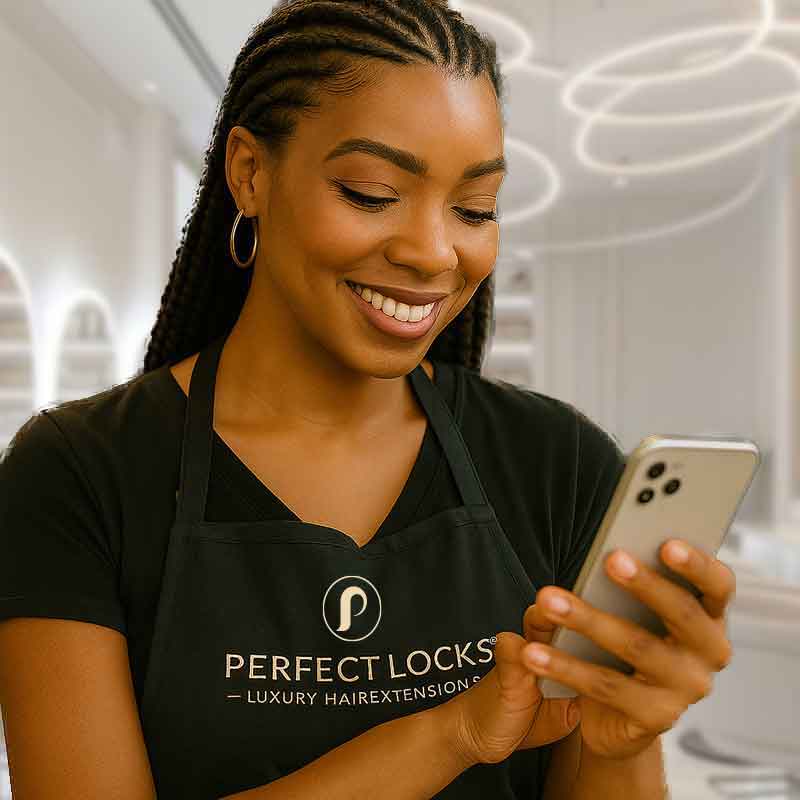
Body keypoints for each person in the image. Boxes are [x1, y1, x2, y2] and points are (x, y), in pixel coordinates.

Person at [0, 1, 736, 798]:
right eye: (371, 192)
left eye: (475, 208)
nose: (433, 253)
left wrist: (623, 737)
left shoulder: (558, 464)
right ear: (250, 172)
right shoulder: (76, 476)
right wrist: (452, 733)